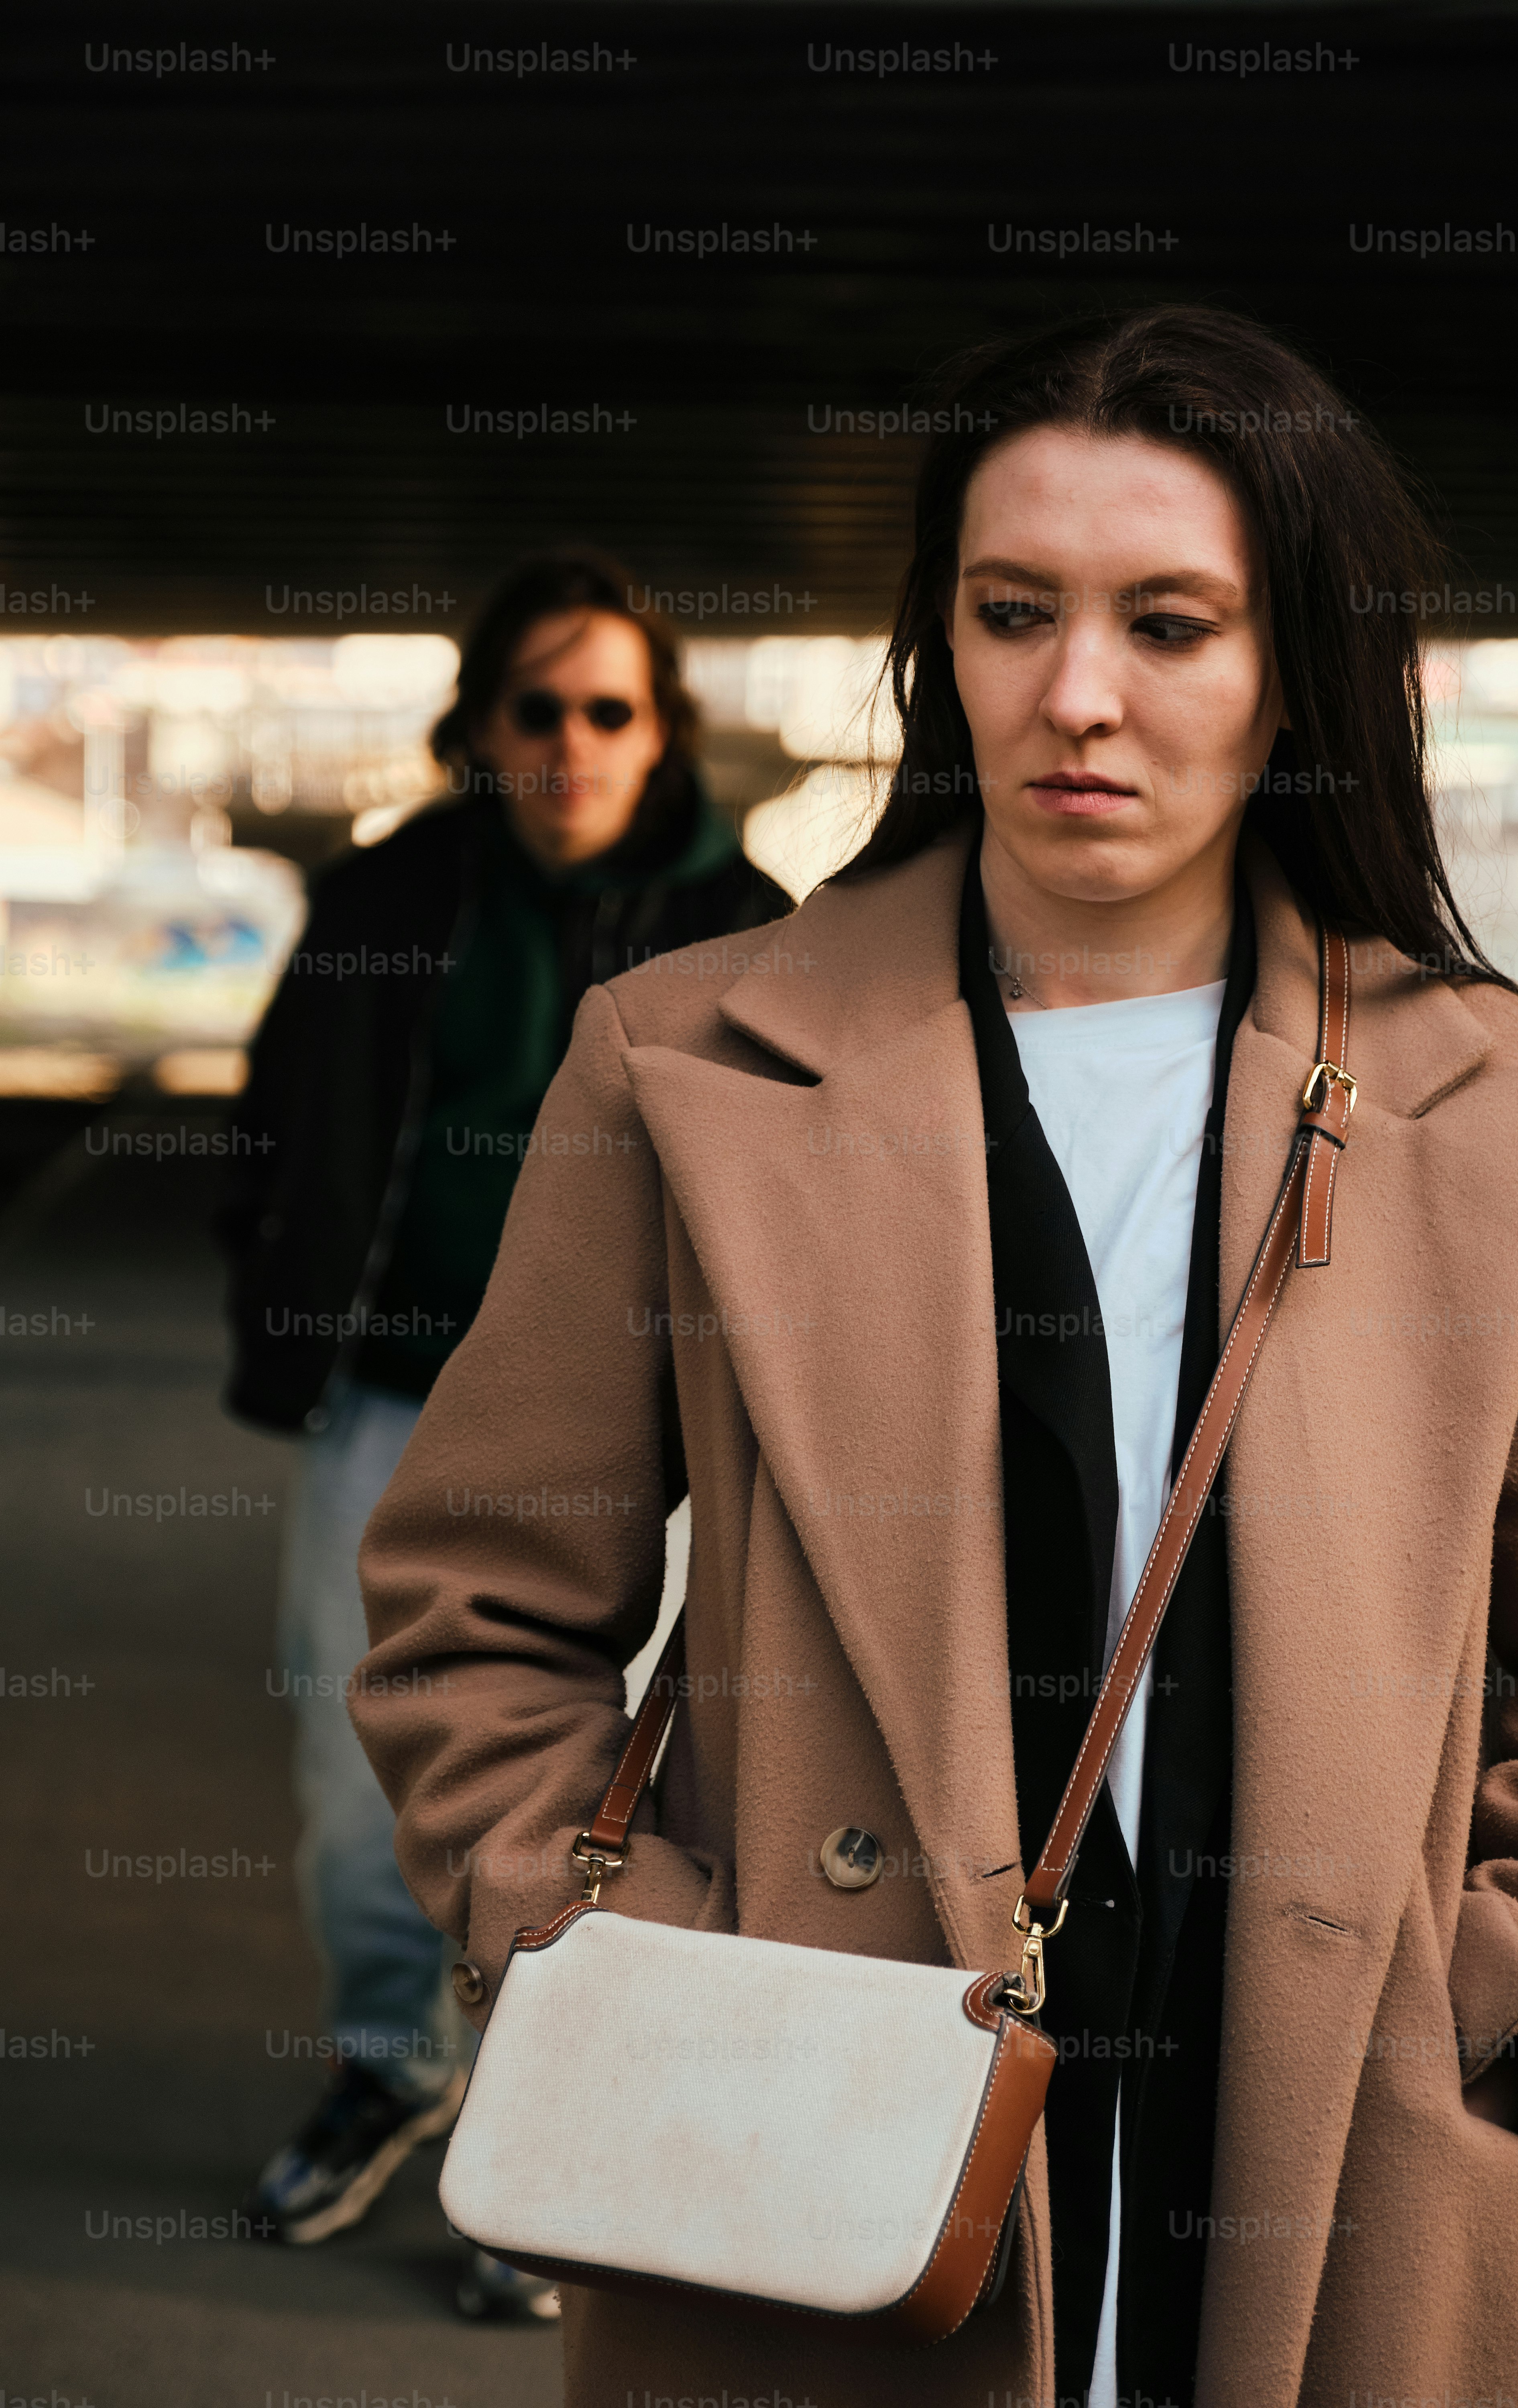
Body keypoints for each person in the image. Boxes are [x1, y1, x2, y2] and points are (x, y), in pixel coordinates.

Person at [348, 311, 1518, 2404]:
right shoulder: (686, 1063)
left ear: (1296, 662)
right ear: (942, 643)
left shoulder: (1500, 1111)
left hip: (1334, 2153)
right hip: (795, 2152)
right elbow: (470, 1618)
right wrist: (611, 1951)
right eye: (1014, 612)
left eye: (1172, 623)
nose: (1078, 695)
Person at [216, 551, 787, 2295]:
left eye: (609, 708)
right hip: (393, 1403)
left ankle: (561, 2130)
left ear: (660, 730)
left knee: (622, 1781)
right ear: (478, 727)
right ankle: (392, 2067)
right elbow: (276, 1124)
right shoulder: (385, 897)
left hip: (654, 1428)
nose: (571, 740)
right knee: (359, 1770)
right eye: (534, 707)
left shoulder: (746, 923)